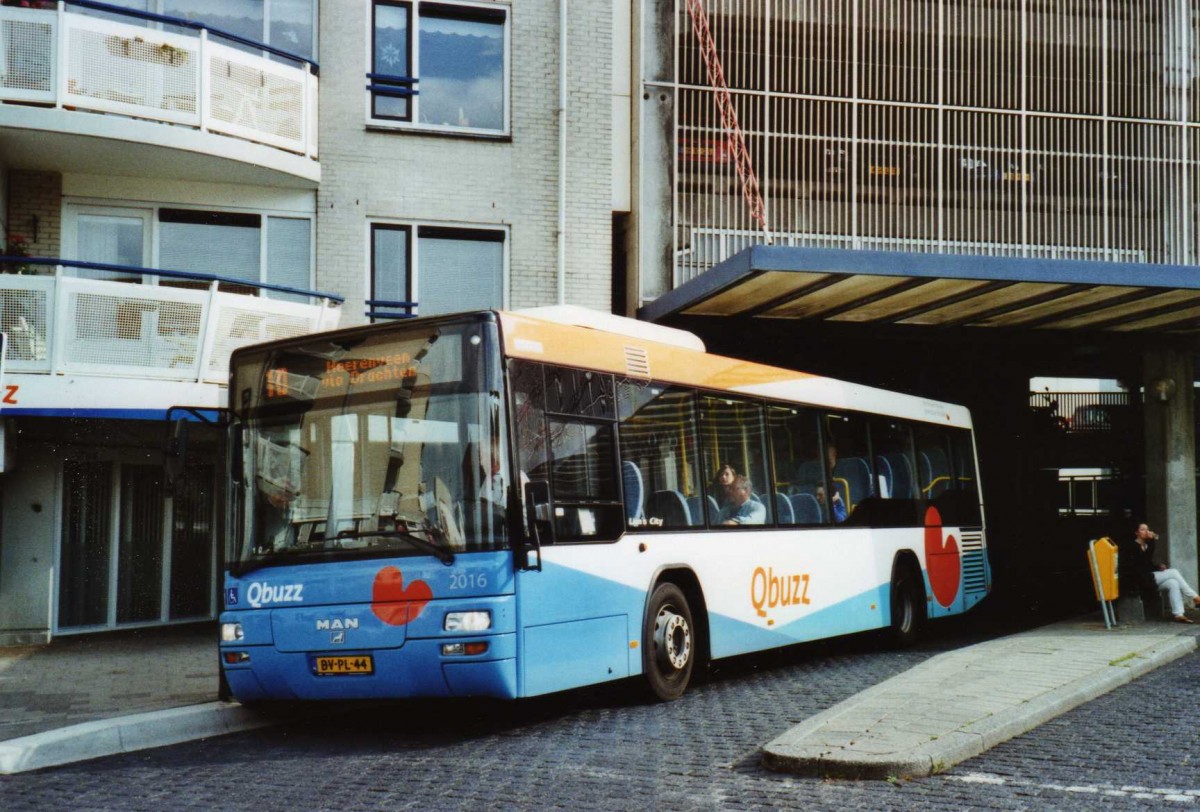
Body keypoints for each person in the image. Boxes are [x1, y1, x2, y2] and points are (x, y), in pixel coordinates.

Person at [1123, 523, 1200, 624]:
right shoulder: (1133, 546)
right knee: (1174, 572)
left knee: (1173, 582)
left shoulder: (1146, 546)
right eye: (1142, 530)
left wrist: (1158, 567)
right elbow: (1140, 564)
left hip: (1148, 579)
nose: (1146, 532)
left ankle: (1179, 614)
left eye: (1147, 529)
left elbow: (1147, 563)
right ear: (1136, 532)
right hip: (1139, 581)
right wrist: (1152, 541)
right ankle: (1195, 597)